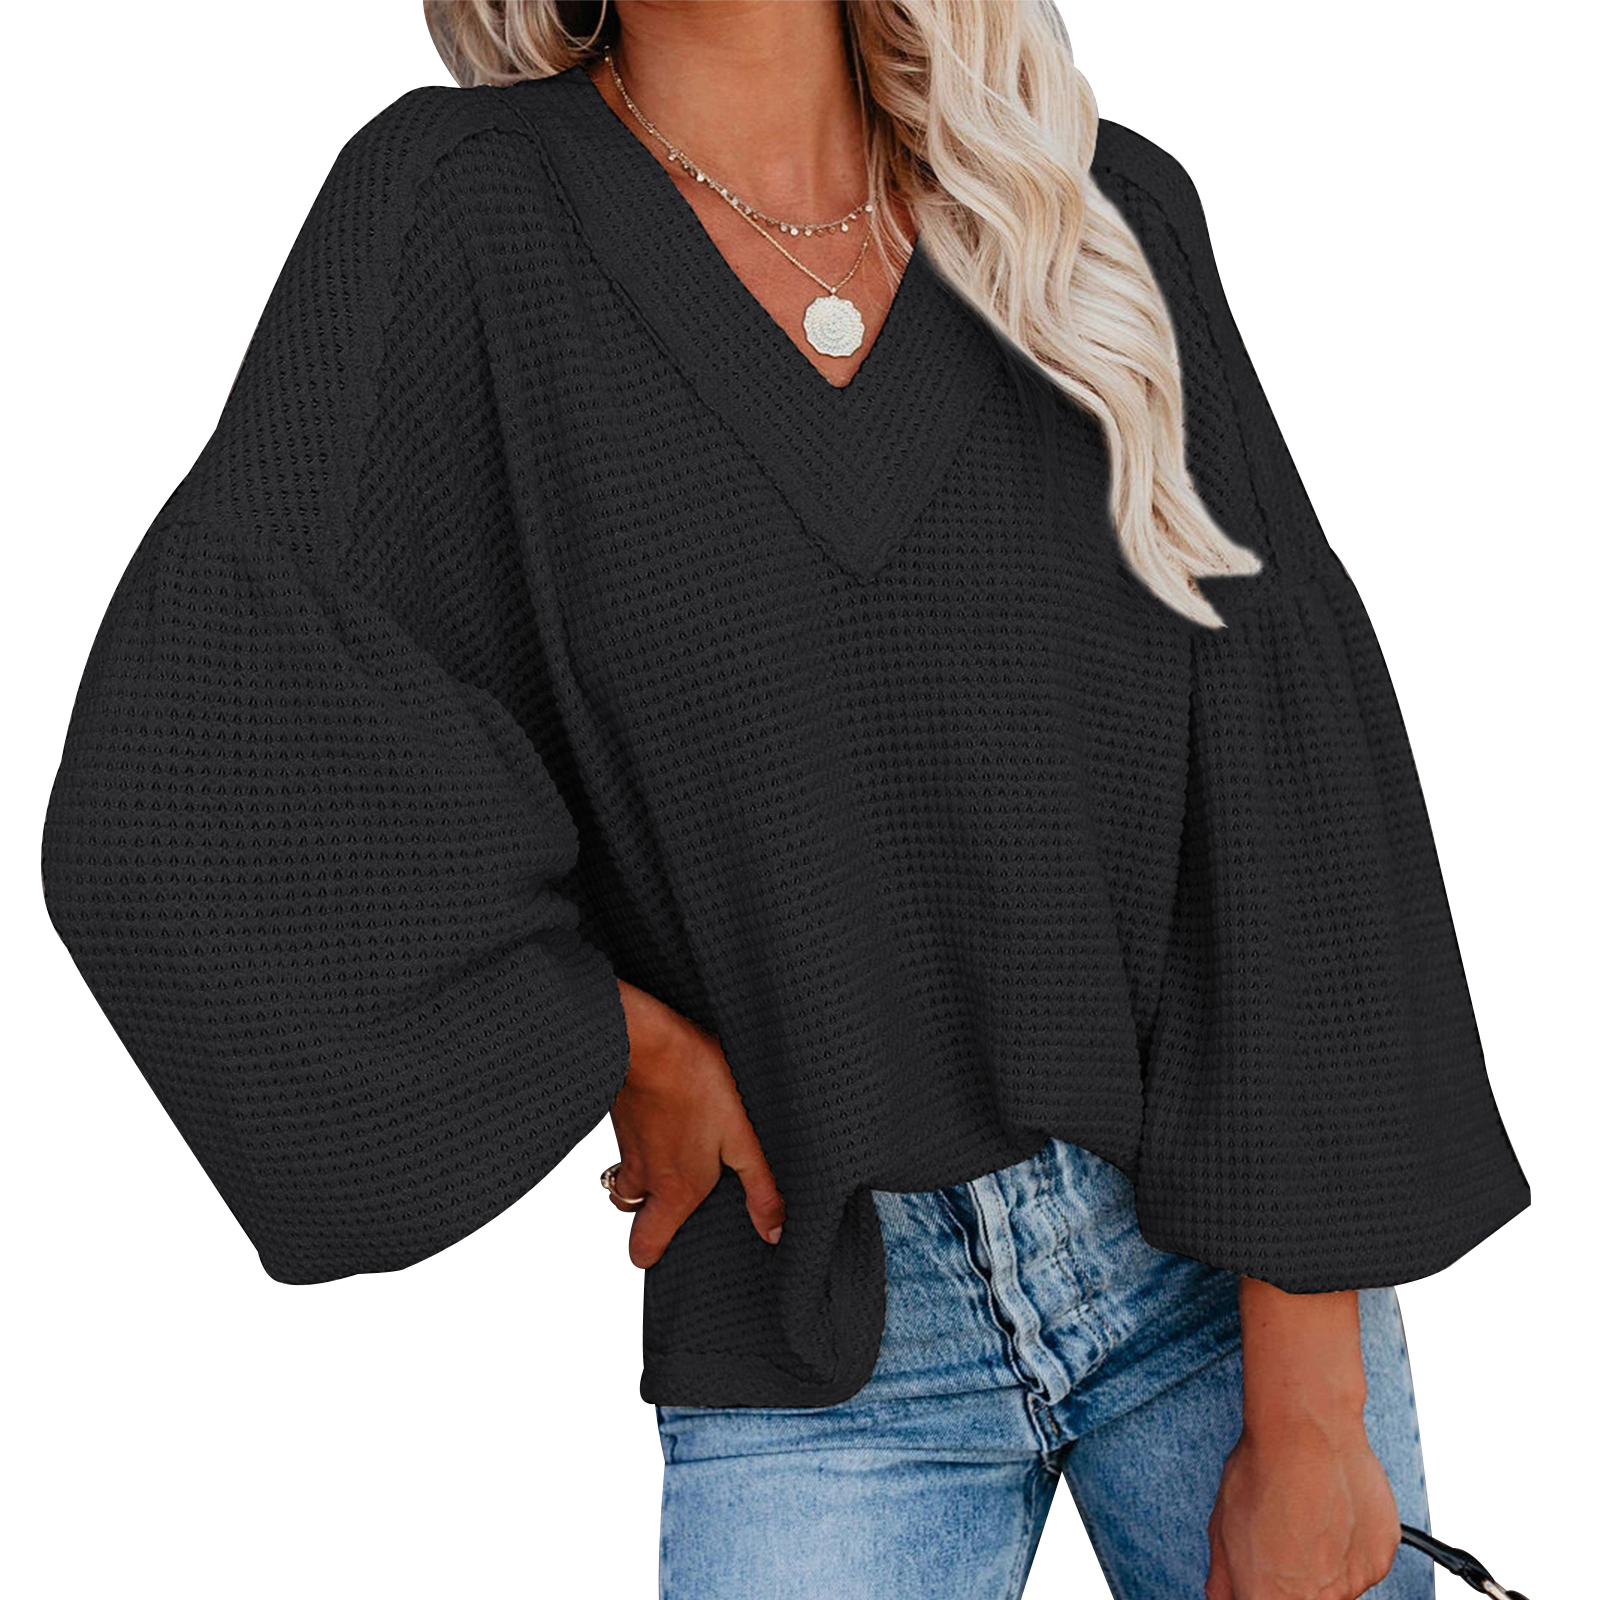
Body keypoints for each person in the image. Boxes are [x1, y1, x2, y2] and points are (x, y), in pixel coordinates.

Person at [41, 2, 1530, 1597]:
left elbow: (1294, 799)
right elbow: (191, 777)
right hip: (810, 1331)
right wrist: (608, 1038)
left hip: (1216, 1285)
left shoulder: (1097, 218)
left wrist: (1310, 1417)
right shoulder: (463, 217)